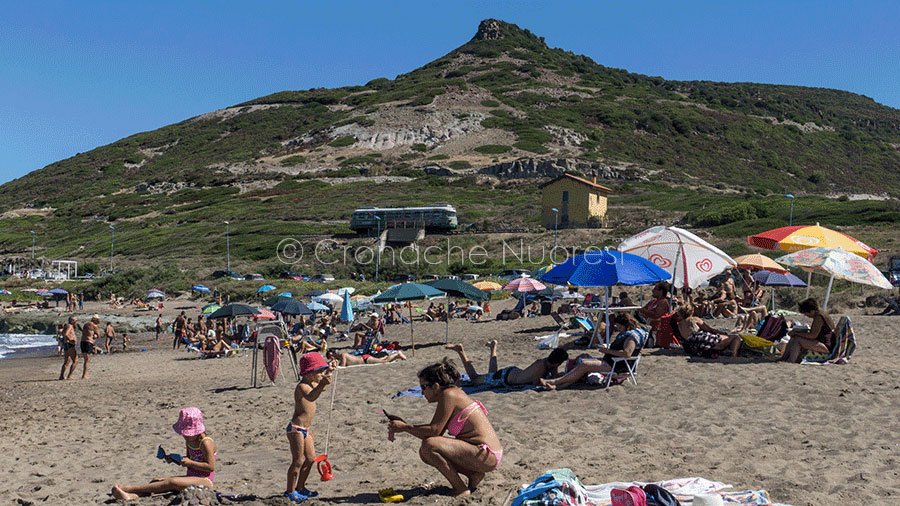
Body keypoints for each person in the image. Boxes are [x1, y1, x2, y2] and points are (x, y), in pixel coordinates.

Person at [388, 360, 502, 496]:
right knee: (425, 452)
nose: (422, 392)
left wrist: (405, 427)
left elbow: (434, 431)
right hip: (484, 454)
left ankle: (460, 489)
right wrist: (405, 426)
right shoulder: (452, 393)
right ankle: (473, 474)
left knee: (429, 446)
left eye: (424, 387)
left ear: (435, 386)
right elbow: (436, 432)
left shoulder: (449, 395)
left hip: (485, 454)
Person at [111, 407, 217, 500]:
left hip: (205, 481)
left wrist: (189, 463)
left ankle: (129, 488)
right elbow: (190, 459)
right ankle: (132, 496)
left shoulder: (206, 443)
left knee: (171, 482)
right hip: (191, 476)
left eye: (188, 433)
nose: (185, 436)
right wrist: (176, 460)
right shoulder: (190, 441)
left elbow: (210, 467)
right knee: (157, 481)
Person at [540, 313, 647, 391]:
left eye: (619, 327)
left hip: (617, 366)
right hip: (613, 362)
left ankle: (554, 382)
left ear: (624, 325)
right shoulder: (631, 334)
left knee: (584, 364)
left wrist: (606, 350)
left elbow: (627, 354)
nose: (618, 329)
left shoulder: (631, 337)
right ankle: (559, 386)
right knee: (583, 357)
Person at [284, 352, 336, 503]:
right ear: (308, 373)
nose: (321, 374)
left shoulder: (313, 383)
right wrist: (322, 383)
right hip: (296, 429)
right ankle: (290, 491)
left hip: (306, 429)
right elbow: (312, 396)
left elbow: (320, 389)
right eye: (318, 371)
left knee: (311, 459)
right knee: (298, 461)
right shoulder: (302, 386)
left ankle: (300, 487)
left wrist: (330, 371)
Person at [446, 340, 568, 387]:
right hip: (505, 377)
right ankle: (460, 351)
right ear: (557, 362)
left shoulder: (548, 364)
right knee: (474, 379)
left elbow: (553, 376)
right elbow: (536, 382)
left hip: (510, 374)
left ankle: (493, 347)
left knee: (491, 374)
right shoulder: (541, 366)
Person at [780, 298, 835, 363]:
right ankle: (784, 358)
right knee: (794, 337)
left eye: (806, 314)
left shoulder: (819, 318)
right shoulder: (820, 314)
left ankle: (791, 360)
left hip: (826, 346)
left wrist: (796, 333)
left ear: (811, 311)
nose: (807, 316)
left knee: (797, 340)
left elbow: (813, 336)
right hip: (821, 342)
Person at [676, 304, 742, 358]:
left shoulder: (679, 325)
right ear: (691, 311)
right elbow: (709, 329)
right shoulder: (694, 319)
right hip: (702, 340)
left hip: (692, 346)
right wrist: (723, 333)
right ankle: (734, 355)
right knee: (734, 337)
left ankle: (723, 352)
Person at [326, 348, 407, 366]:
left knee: (384, 362)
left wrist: (333, 363)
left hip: (365, 359)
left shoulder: (343, 355)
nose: (331, 358)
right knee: (382, 359)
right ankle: (396, 357)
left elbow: (343, 366)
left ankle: (397, 354)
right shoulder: (341, 357)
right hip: (365, 358)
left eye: (331, 356)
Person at [80, 315, 101, 379]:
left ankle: (84, 374)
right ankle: (84, 375)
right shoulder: (95, 326)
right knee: (87, 360)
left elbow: (83, 332)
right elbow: (98, 335)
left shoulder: (86, 324)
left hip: (82, 341)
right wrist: (95, 336)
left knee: (85, 359)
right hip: (89, 342)